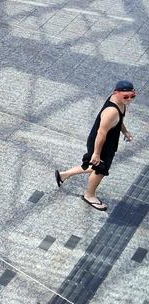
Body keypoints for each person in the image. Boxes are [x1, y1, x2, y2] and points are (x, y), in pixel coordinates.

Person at [56, 81, 136, 212]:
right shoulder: (112, 111)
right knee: (100, 170)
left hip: (107, 143)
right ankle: (89, 195)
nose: (129, 99)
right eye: (126, 96)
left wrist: (125, 131)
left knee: (94, 165)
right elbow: (102, 133)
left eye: (132, 96)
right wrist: (97, 153)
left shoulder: (120, 103)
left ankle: (64, 175)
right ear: (116, 93)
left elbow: (118, 121)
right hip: (101, 144)